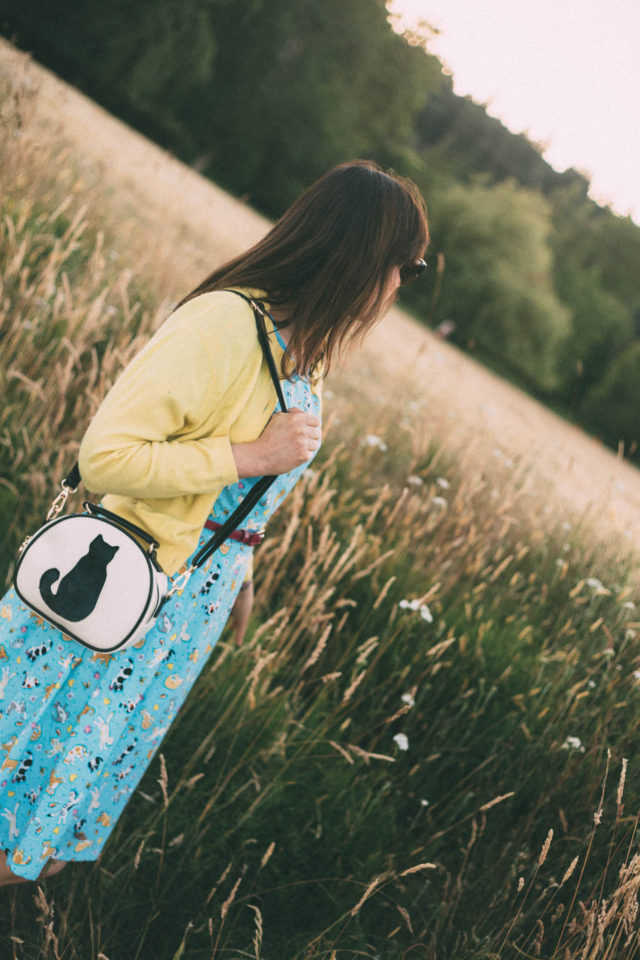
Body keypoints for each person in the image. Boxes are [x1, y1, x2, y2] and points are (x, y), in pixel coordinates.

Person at [0, 159, 429, 886]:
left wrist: (242, 567)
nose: (400, 288)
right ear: (362, 258)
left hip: (180, 611)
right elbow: (105, 458)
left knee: (43, 831)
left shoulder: (307, 352)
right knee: (17, 805)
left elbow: (247, 495)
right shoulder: (227, 323)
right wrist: (248, 454)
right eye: (405, 268)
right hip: (114, 591)